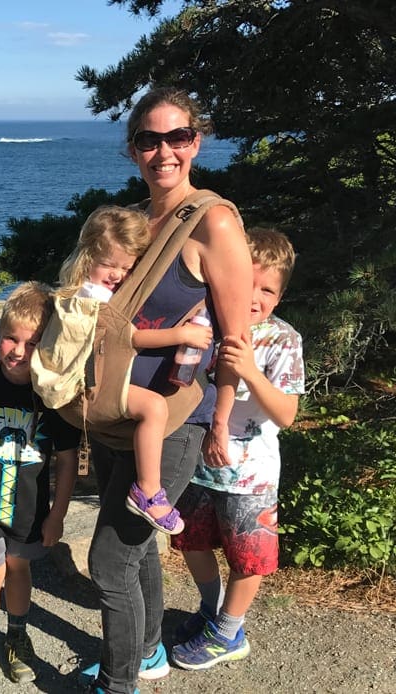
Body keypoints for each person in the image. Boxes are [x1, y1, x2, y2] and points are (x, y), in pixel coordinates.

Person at [83, 86, 253, 694]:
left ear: (196, 142)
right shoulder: (134, 220)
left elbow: (235, 337)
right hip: (115, 411)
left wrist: (223, 419)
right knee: (139, 552)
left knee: (109, 559)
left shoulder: (213, 221)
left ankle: (120, 680)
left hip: (175, 419)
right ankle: (149, 651)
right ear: (133, 149)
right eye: (150, 140)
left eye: (177, 137)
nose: (164, 151)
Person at [169, 227, 304, 670]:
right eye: (248, 283)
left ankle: (228, 633)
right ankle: (213, 612)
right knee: (191, 542)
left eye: (268, 289)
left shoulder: (284, 339)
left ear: (279, 297)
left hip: (252, 474)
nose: (254, 297)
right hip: (199, 464)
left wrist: (251, 371)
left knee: (248, 558)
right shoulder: (205, 325)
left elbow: (286, 414)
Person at [0, 281, 81, 693]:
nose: (18, 351)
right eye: (10, 338)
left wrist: (57, 515)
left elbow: (67, 458)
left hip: (30, 509)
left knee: (18, 569)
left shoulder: (53, 397)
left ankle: (17, 636)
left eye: (32, 342)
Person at [52, 205, 213, 534]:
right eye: (109, 264)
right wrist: (182, 334)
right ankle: (149, 490)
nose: (117, 274)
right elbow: (130, 337)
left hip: (87, 381)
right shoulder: (91, 295)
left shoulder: (81, 290)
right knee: (154, 407)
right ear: (87, 258)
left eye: (126, 267)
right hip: (89, 384)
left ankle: (147, 489)